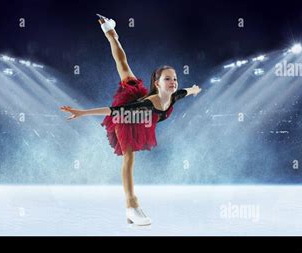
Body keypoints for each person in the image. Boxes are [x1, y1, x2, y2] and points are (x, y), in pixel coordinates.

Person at [60, 15, 201, 226]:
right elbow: (113, 110)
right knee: (129, 158)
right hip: (129, 117)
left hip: (144, 116)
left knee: (124, 65)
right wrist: (82, 113)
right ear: (157, 82)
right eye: (167, 79)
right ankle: (131, 206)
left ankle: (111, 33)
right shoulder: (147, 103)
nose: (173, 82)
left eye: (175, 78)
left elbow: (184, 91)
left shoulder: (173, 95)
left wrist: (194, 89)